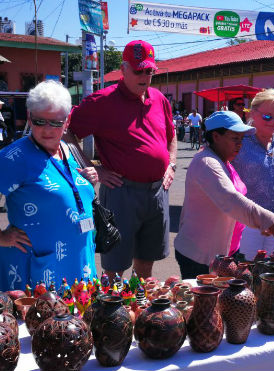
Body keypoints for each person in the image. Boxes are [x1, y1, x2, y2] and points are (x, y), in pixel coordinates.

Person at [0, 80, 98, 291]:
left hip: (77, 265)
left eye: (56, 123)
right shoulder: (17, 156)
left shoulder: (67, 149)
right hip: (40, 270)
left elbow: (68, 188)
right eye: (40, 122)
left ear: (67, 122)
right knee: (38, 322)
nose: (47, 130)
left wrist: (88, 179)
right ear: (30, 118)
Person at [65, 40, 176, 281]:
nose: (145, 76)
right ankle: (114, 315)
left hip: (157, 191)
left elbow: (171, 135)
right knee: (115, 267)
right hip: (121, 191)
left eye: (149, 71)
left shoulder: (159, 99)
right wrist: (92, 168)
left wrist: (172, 163)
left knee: (146, 264)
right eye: (138, 70)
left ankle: (142, 312)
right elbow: (67, 133)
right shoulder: (101, 101)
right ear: (123, 69)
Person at [174, 111, 274, 279]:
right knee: (204, 302)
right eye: (234, 139)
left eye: (241, 139)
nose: (240, 145)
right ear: (216, 136)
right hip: (199, 255)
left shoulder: (225, 161)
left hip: (224, 253)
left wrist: (262, 223)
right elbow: (231, 200)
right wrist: (269, 220)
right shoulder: (207, 163)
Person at [232, 88, 274, 258]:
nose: (272, 122)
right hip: (248, 219)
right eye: (267, 116)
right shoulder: (239, 138)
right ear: (253, 113)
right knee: (246, 271)